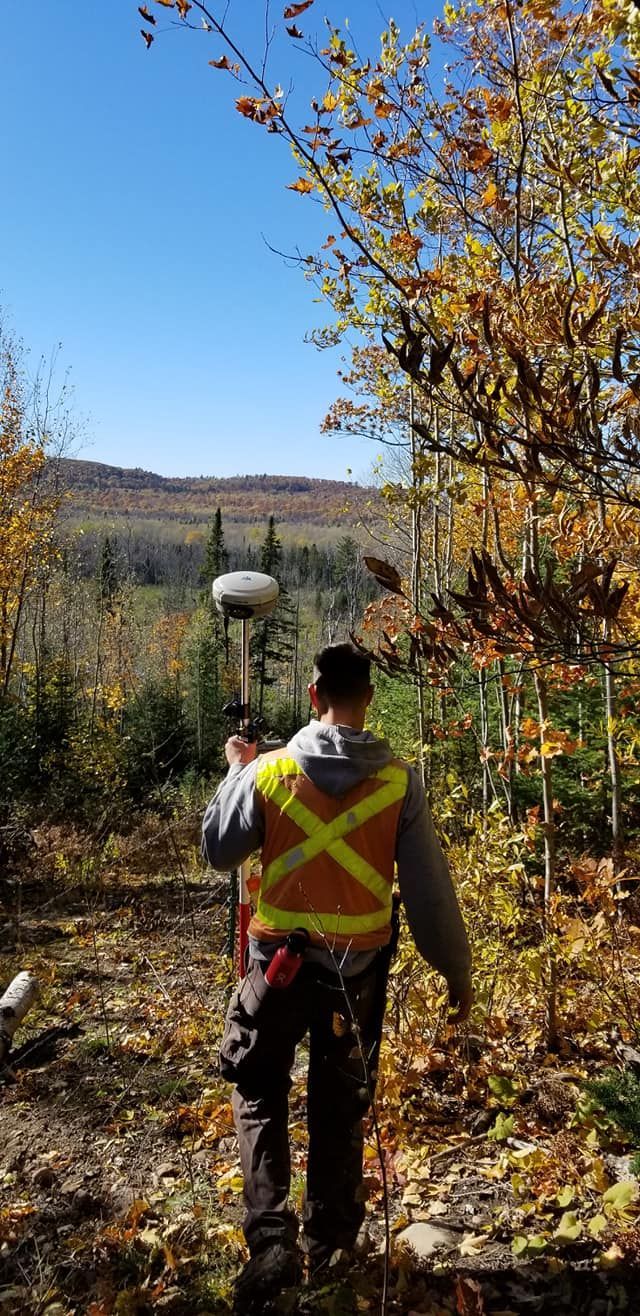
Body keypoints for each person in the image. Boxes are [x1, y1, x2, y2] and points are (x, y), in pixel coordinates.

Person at [202, 642, 472, 1313]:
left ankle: (271, 1240)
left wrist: (238, 773)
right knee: (339, 1105)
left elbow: (217, 849)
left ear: (315, 696)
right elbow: (432, 893)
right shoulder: (397, 780)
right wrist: (456, 971)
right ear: (369, 698)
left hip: (277, 972)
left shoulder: (269, 771)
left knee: (260, 1089)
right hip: (358, 980)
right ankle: (330, 1245)